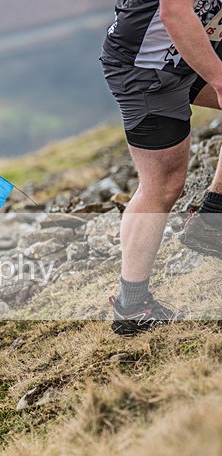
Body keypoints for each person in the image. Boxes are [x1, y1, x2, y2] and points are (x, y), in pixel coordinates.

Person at [101, 0, 222, 335]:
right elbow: (174, 12)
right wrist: (219, 80)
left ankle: (214, 220)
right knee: (163, 185)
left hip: (193, 44)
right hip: (145, 65)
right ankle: (132, 306)